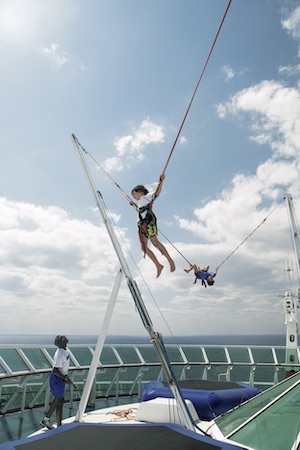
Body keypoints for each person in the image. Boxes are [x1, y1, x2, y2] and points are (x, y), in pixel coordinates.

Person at [131, 173, 175, 278]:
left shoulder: (147, 197)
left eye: (134, 195)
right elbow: (139, 209)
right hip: (141, 225)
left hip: (148, 222)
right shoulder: (141, 202)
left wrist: (161, 181)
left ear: (138, 192)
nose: (134, 197)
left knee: (155, 242)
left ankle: (169, 260)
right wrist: (133, 205)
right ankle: (158, 265)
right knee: (144, 248)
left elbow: (157, 192)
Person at [40, 335, 73, 430]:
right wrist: (65, 379)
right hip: (57, 378)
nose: (65, 338)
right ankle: (59, 425)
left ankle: (46, 419)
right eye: (63, 338)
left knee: (58, 399)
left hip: (61, 378)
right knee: (60, 401)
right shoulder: (60, 354)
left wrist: (65, 377)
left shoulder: (65, 351)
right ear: (61, 342)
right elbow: (55, 370)